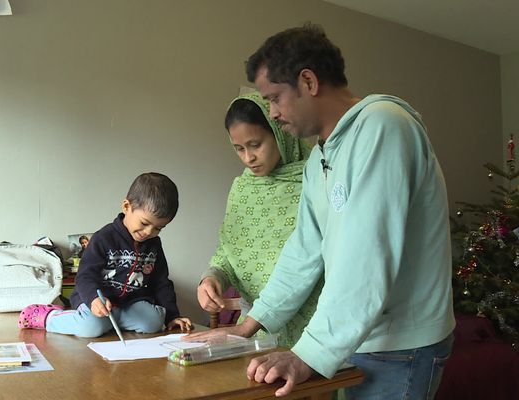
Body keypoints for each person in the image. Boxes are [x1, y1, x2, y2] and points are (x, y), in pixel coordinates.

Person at [193, 24, 456, 399]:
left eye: (275, 98)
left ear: (308, 81)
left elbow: (365, 255)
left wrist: (309, 353)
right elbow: (302, 251)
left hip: (402, 346)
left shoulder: (382, 126)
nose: (273, 113)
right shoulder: (320, 158)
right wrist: (248, 325)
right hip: (360, 340)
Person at [195, 91, 323, 348]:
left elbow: (307, 261)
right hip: (256, 333)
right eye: (239, 148)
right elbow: (230, 251)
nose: (248, 157)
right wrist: (212, 278)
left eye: (256, 145)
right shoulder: (243, 188)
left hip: (314, 328)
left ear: (281, 134)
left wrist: (246, 327)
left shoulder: (317, 178)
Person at [19, 172, 192, 337]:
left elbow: (161, 282)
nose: (148, 232)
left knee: (154, 323)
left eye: (158, 228)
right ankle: (49, 316)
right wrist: (93, 299)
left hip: (130, 304)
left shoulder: (154, 244)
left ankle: (109, 323)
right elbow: (85, 276)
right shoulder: (104, 238)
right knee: (90, 328)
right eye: (145, 223)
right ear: (126, 207)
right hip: (97, 301)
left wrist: (172, 316)